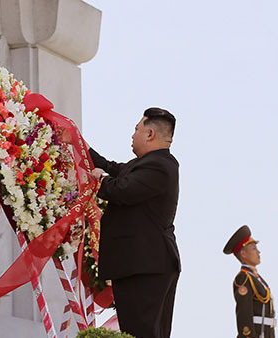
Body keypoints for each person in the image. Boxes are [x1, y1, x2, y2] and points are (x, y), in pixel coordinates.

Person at [88, 107, 181, 338]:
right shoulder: (143, 165)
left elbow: (121, 190)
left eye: (136, 129)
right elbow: (110, 167)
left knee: (143, 333)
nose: (132, 135)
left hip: (147, 267)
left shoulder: (160, 167)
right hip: (139, 266)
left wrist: (100, 178)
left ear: (150, 134)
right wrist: (78, 144)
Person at [223, 225, 276, 338]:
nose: (258, 252)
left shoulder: (257, 278)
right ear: (243, 254)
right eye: (254, 248)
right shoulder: (243, 278)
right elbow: (244, 314)